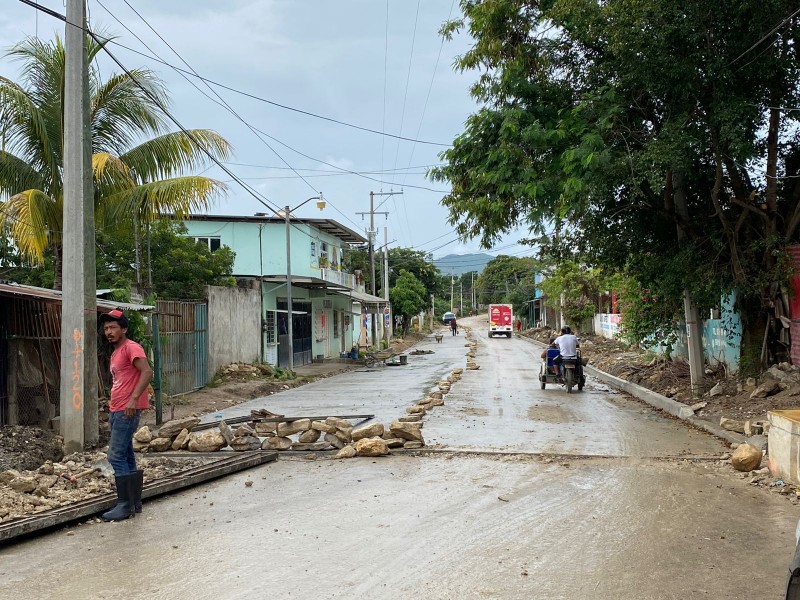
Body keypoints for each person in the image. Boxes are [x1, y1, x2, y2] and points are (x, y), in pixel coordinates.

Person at [99, 309, 153, 522]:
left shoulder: (131, 347)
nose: (109, 332)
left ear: (124, 329)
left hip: (126, 410)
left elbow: (147, 372)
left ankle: (123, 505)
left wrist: (133, 399)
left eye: (113, 327)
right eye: (106, 328)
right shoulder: (116, 352)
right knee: (127, 454)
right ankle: (134, 502)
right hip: (117, 409)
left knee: (116, 456)